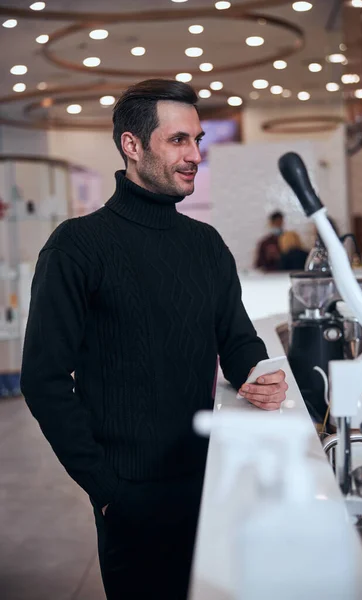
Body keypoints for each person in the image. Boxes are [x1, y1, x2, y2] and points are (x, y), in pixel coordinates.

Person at [20, 79, 288, 600]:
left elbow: (235, 337)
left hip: (212, 482)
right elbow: (44, 379)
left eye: (197, 139)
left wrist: (258, 374)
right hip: (132, 498)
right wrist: (107, 490)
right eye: (178, 141)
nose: (195, 155)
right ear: (132, 145)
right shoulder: (77, 247)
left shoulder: (206, 245)